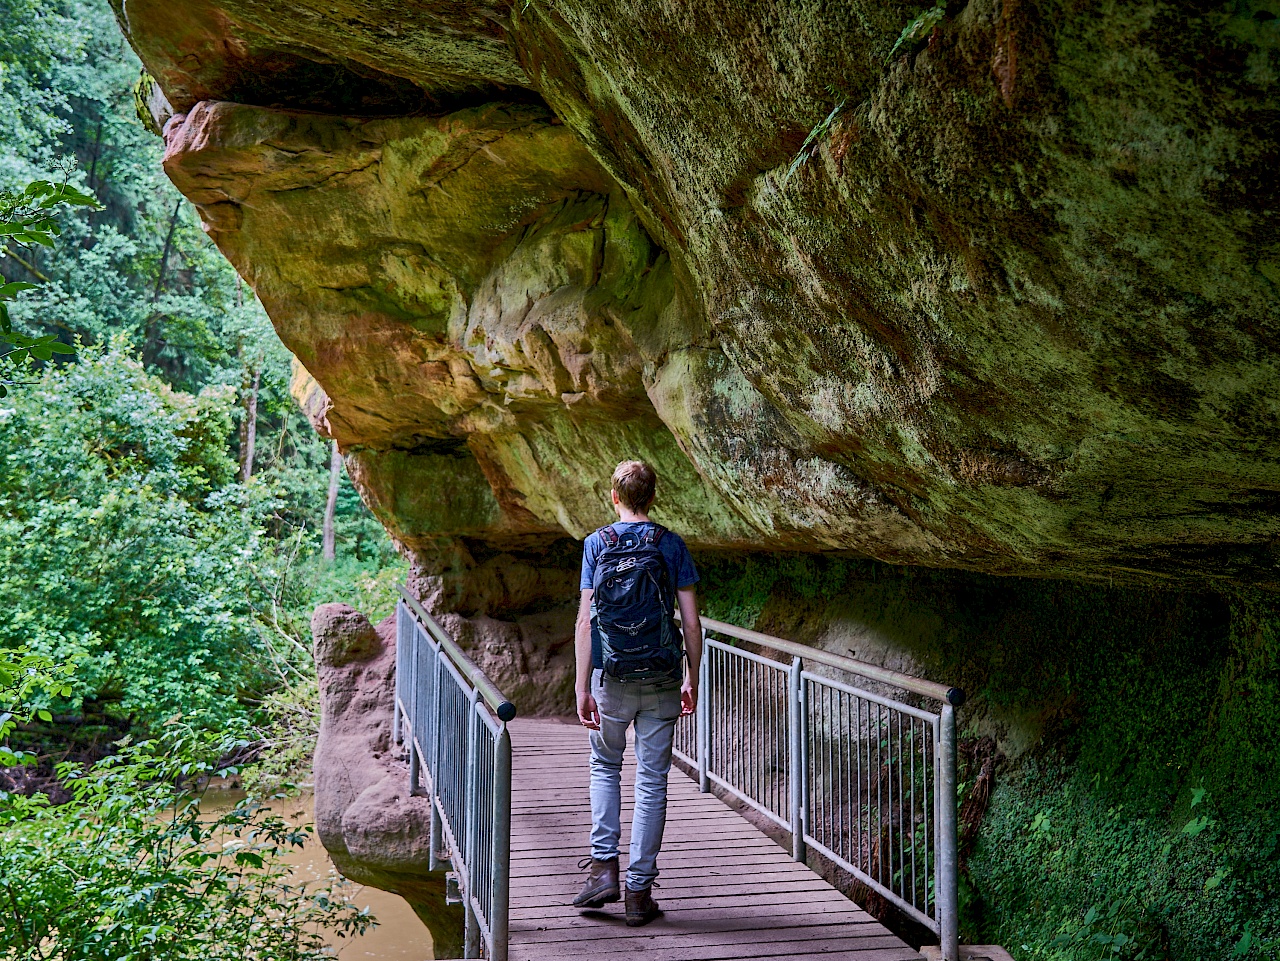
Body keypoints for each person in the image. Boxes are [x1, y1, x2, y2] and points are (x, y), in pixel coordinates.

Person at [572, 459, 702, 927]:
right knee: (652, 781)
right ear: (653, 496)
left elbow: (587, 621)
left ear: (614, 497)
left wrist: (581, 685)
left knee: (605, 765)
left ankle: (603, 868)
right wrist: (692, 674)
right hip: (663, 678)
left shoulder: (596, 545)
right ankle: (637, 893)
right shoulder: (671, 545)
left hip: (613, 678)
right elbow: (690, 621)